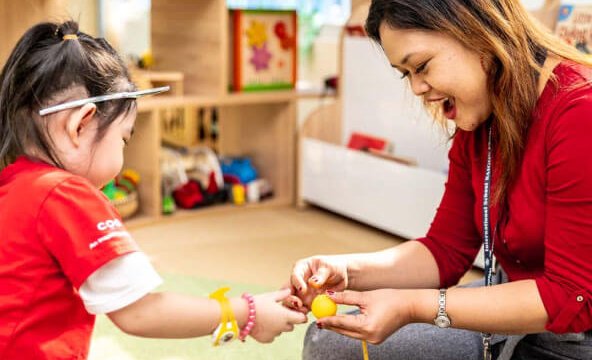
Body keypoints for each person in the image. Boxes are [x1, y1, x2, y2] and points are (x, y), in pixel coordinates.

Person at [287, 1, 592, 359]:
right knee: (330, 345)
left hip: (576, 331)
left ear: (475, 32)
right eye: (406, 74)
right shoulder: (481, 112)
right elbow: (445, 249)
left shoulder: (579, 112)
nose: (416, 87)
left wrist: (413, 306)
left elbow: (570, 296)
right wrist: (346, 270)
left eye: (421, 66)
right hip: (520, 310)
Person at [0, 21, 306, 359]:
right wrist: (248, 311)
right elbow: (140, 312)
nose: (123, 153)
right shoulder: (65, 194)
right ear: (80, 125)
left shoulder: (13, 186)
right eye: (124, 139)